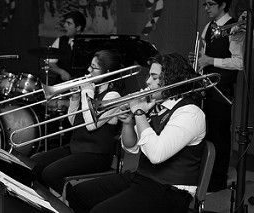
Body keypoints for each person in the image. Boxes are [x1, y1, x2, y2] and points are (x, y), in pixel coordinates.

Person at [66, 53, 207, 213]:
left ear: (171, 79)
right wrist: (128, 123)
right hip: (143, 178)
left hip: (170, 191)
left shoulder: (190, 113)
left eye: (154, 78)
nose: (147, 82)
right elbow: (131, 147)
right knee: (78, 194)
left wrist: (139, 113)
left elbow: (156, 154)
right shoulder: (156, 105)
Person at [15, 49, 124, 195]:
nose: (88, 70)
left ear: (107, 71)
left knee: (50, 173)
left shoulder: (113, 95)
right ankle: (46, 202)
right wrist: (75, 98)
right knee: (34, 164)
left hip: (97, 154)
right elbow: (74, 122)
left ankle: (75, 201)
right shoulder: (92, 89)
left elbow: (91, 125)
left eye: (93, 67)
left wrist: (86, 93)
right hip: (77, 146)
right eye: (90, 66)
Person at [189, 0, 244, 192]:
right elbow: (204, 54)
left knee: (220, 134)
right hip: (206, 86)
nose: (206, 8)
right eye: (204, 4)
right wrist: (198, 59)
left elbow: (240, 63)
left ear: (223, 4)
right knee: (207, 131)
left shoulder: (235, 28)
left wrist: (210, 60)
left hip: (222, 89)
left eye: (210, 4)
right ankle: (205, 175)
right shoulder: (209, 26)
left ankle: (218, 179)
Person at [49, 11, 86, 85]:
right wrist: (61, 72)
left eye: (69, 23)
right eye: (65, 23)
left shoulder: (88, 42)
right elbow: (50, 63)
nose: (65, 25)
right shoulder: (60, 41)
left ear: (78, 28)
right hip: (62, 85)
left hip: (83, 84)